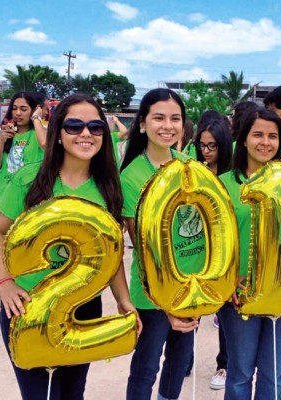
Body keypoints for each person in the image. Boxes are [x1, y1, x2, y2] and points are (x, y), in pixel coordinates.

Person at [0, 93, 137, 400]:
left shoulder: (108, 188)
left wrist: (123, 300)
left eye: (95, 127)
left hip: (83, 307)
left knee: (71, 394)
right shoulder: (31, 179)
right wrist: (4, 284)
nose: (85, 134)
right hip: (26, 306)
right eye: (74, 126)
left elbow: (110, 254)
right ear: (57, 134)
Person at [218, 107, 281, 400]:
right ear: (243, 139)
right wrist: (226, 280)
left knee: (273, 374)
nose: (265, 142)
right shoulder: (223, 184)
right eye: (257, 134)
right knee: (240, 372)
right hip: (239, 292)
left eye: (273, 136)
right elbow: (215, 242)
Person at [120, 88, 201, 400]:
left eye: (175, 118)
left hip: (190, 284)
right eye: (159, 118)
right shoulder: (131, 175)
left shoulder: (188, 164)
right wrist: (166, 305)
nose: (168, 125)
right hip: (152, 291)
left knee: (179, 360)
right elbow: (141, 245)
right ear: (142, 124)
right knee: (146, 366)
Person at [193, 117, 233, 390]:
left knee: (226, 315)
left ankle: (224, 365)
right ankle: (184, 360)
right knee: (191, 308)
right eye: (202, 145)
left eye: (213, 146)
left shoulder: (233, 176)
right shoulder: (195, 172)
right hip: (196, 253)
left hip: (226, 256)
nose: (207, 151)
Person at [0, 92, 45, 198]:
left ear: (33, 111)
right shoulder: (6, 136)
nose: (17, 113)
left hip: (33, 204)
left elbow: (45, 144)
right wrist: (1, 140)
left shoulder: (39, 135)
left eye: (23, 109)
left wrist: (37, 117)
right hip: (6, 206)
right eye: (14, 108)